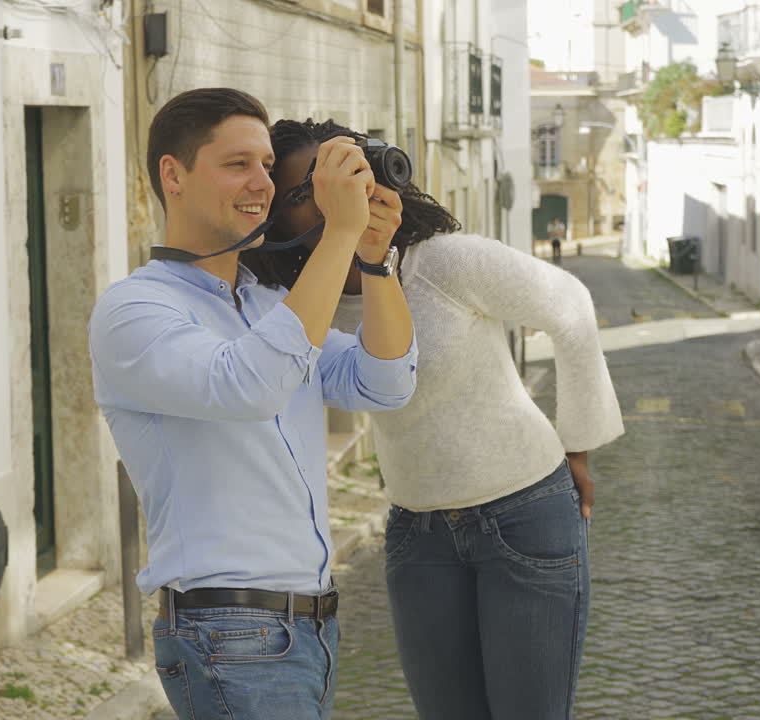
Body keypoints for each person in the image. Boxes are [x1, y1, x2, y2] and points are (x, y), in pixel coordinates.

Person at [244, 119, 624, 720]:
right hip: (417, 533)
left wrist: (577, 444)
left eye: (339, 178)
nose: (330, 198)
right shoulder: (301, 308)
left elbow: (570, 307)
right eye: (305, 192)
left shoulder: (443, 263)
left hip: (526, 513)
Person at [88, 90, 418, 720]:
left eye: (267, 166)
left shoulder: (268, 304)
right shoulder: (135, 310)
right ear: (173, 174)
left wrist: (375, 263)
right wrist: (340, 234)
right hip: (229, 633)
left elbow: (385, 384)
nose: (262, 183)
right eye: (239, 163)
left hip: (307, 627)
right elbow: (247, 385)